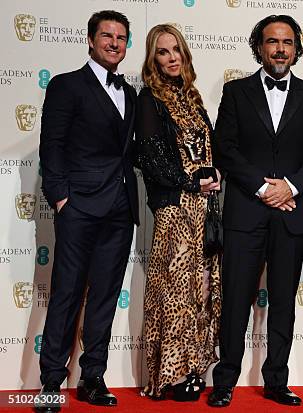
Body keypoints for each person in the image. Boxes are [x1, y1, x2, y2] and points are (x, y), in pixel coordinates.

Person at [207, 14, 303, 407]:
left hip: (291, 215)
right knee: (236, 301)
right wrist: (263, 188)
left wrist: (289, 187)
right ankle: (225, 380)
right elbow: (226, 148)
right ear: (258, 47)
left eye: (287, 42)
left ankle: (277, 380)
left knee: (283, 303)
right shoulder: (236, 92)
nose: (280, 49)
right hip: (245, 213)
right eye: (272, 41)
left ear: (297, 49)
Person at [37, 10, 139, 412]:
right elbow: (52, 146)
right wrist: (61, 197)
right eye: (107, 36)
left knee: (105, 298)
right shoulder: (66, 86)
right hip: (79, 206)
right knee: (66, 293)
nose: (114, 43)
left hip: (119, 207)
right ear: (91, 40)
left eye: (121, 37)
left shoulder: (129, 92)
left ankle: (92, 377)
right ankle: (50, 383)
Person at [135, 24, 222, 402]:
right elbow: (150, 158)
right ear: (153, 59)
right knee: (174, 291)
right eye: (163, 52)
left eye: (176, 51)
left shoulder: (193, 97)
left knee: (200, 290)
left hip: (204, 208)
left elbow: (207, 150)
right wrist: (191, 183)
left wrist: (215, 174)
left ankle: (194, 368)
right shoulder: (149, 99)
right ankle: (170, 374)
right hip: (175, 208)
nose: (172, 58)